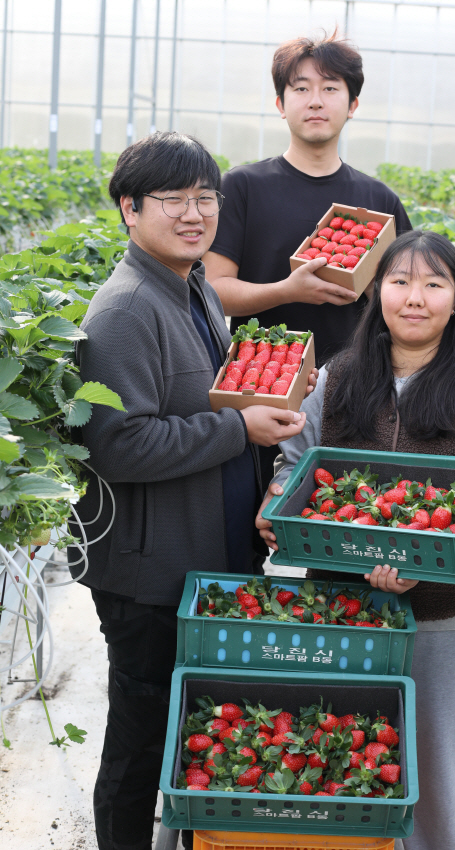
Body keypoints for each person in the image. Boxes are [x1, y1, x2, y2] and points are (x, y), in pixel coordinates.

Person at [69, 131, 312, 850]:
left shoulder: (194, 285)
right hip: (150, 576)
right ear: (129, 209)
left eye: (205, 196)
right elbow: (120, 444)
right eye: (172, 199)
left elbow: (211, 396)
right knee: (140, 742)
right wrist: (243, 433)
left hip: (203, 554)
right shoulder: (125, 312)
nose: (193, 213)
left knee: (190, 727)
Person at [256, 229, 455, 850]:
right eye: (400, 282)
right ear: (376, 293)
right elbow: (296, 464)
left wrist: (420, 565)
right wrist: (276, 498)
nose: (415, 298)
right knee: (343, 760)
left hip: (444, 613)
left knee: (433, 770)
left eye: (434, 284)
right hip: (345, 608)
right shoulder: (338, 377)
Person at [202, 29, 412, 483]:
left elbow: (403, 293)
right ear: (280, 103)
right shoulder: (241, 188)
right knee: (249, 535)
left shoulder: (378, 202)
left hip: (357, 396)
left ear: (352, 104)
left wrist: (376, 290)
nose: (315, 101)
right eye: (301, 89)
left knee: (341, 532)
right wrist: (287, 291)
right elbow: (215, 291)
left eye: (330, 88)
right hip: (257, 388)